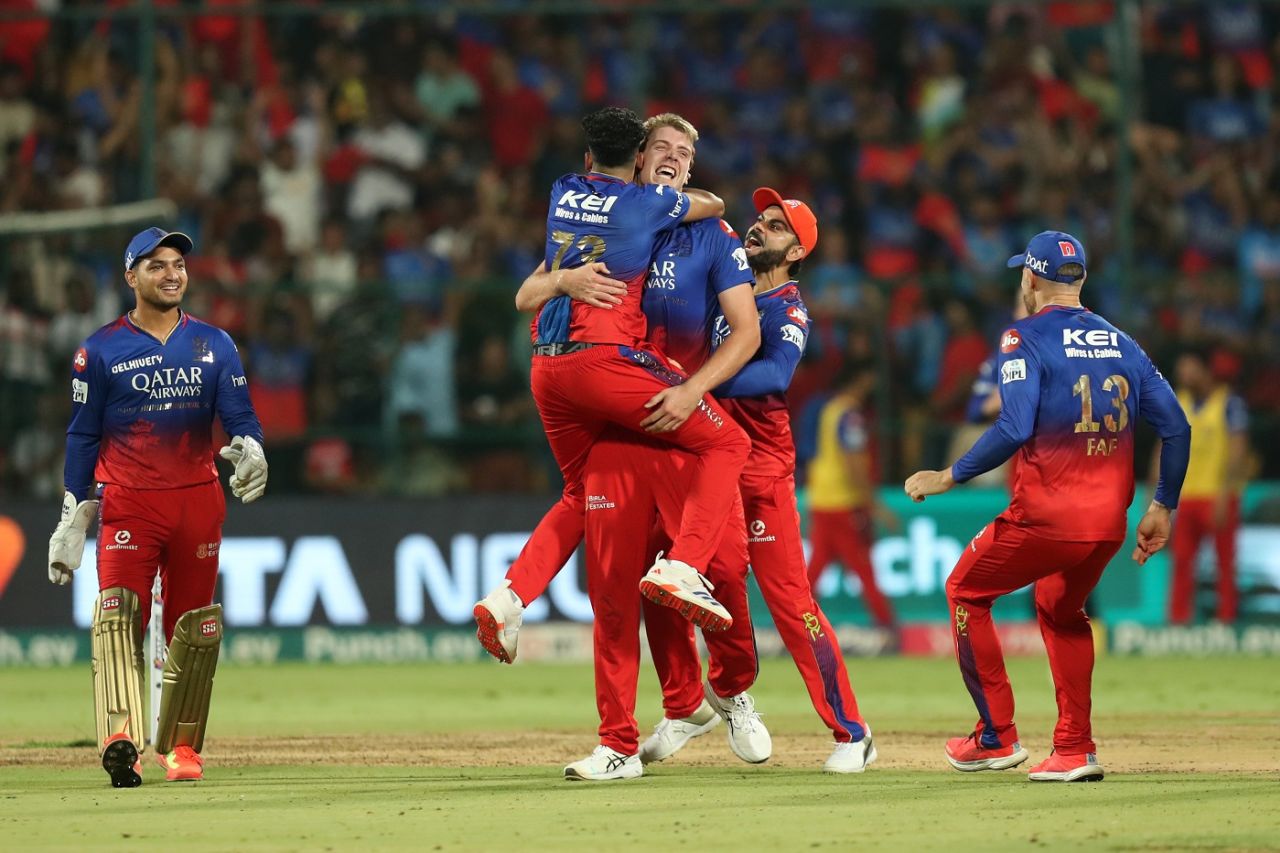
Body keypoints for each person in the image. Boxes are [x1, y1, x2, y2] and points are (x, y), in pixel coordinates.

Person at [905, 231, 1190, 783]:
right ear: (1079, 281)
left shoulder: (1022, 338)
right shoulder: (1123, 343)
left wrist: (949, 475)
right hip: (1109, 522)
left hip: (1047, 517)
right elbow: (1176, 426)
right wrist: (1163, 506)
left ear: (1030, 278)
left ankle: (995, 737)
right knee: (1060, 609)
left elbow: (1014, 425)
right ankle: (1075, 748)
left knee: (966, 590)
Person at [473, 107, 755, 663]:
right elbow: (715, 202)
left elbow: (525, 297)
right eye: (664, 149)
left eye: (686, 154)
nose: (675, 159)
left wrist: (561, 277)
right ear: (638, 158)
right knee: (731, 442)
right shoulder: (643, 205)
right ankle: (684, 568)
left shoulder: (565, 192)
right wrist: (564, 280)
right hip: (608, 368)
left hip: (547, 371)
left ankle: (509, 597)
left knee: (578, 494)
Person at [636, 190, 876, 777]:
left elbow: (774, 373)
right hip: (702, 463)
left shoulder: (788, 309)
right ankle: (708, 698)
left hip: (761, 473)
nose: (757, 227)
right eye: (760, 219)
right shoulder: (728, 293)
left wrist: (699, 382)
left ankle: (853, 732)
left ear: (795, 252)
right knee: (683, 584)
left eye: (774, 227)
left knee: (792, 603)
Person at [46, 227, 267, 788]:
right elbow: (81, 435)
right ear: (130, 277)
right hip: (128, 504)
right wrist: (74, 511)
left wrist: (252, 448)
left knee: (193, 627)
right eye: (156, 266)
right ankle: (120, 739)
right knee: (118, 614)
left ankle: (183, 747)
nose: (172, 274)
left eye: (178, 265)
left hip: (197, 501)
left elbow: (239, 414)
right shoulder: (97, 350)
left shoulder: (215, 343)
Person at [804, 358, 897, 629]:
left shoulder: (830, 409)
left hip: (822, 497)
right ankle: (887, 627)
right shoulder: (849, 414)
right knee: (863, 569)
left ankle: (796, 624)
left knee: (816, 569)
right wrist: (872, 503)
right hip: (843, 502)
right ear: (860, 380)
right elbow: (853, 460)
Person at [1164, 347, 1250, 624]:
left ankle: (1226, 622)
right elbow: (1163, 446)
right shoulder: (1179, 401)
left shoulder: (1229, 403)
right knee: (1181, 563)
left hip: (1218, 495)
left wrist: (1226, 493)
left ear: (1204, 370)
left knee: (1224, 564)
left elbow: (1238, 450)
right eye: (1181, 371)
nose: (1184, 375)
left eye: (1189, 368)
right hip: (1185, 497)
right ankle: (1178, 623)